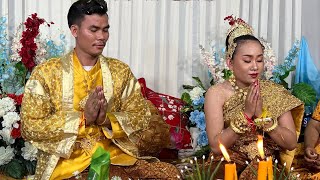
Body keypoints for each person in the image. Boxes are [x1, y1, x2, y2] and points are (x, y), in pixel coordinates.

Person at [20, 0, 179, 179]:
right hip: (67, 165)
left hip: (115, 157)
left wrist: (107, 120)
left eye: (105, 30)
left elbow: (141, 117)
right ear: (75, 31)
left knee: (170, 174)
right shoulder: (47, 73)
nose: (102, 37)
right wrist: (82, 119)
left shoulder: (120, 71)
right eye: (94, 30)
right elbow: (30, 125)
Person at [204, 16, 304, 179]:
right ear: (230, 63)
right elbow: (216, 146)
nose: (255, 66)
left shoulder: (273, 91)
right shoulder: (216, 94)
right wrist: (246, 115)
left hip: (266, 164)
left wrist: (263, 118)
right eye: (247, 60)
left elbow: (291, 142)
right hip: (229, 163)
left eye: (259, 59)